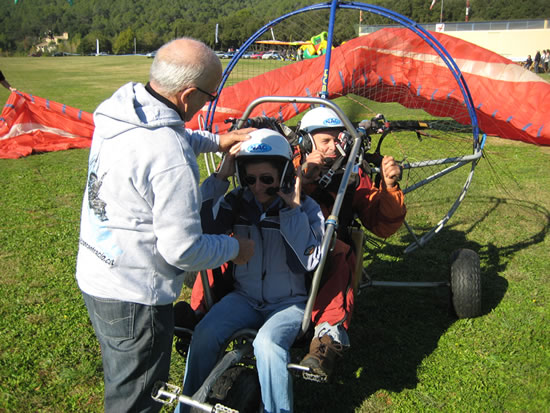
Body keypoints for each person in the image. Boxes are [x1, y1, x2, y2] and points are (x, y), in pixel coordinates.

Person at [75, 37, 256, 413]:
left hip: (97, 274)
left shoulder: (120, 111)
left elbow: (174, 133)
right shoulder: (169, 156)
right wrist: (236, 249)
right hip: (135, 296)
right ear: (188, 94)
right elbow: (183, 250)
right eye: (208, 96)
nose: (208, 102)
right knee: (137, 400)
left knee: (121, 377)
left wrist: (218, 141)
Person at [177, 129, 325, 413]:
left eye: (267, 180)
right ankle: (186, 407)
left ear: (283, 175)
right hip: (244, 298)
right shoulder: (237, 202)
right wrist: (221, 178)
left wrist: (291, 211)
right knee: (205, 334)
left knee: (268, 345)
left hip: (288, 303)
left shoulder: (307, 208)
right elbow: (201, 229)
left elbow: (308, 261)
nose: (257, 187)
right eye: (250, 178)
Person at [295, 107, 406, 380]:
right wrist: (304, 178)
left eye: (338, 139)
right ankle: (200, 314)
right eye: (325, 141)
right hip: (283, 243)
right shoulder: (287, 164)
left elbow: (379, 223)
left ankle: (325, 343)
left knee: (340, 252)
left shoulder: (353, 174)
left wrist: (389, 187)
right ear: (307, 143)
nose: (334, 147)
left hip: (328, 251)